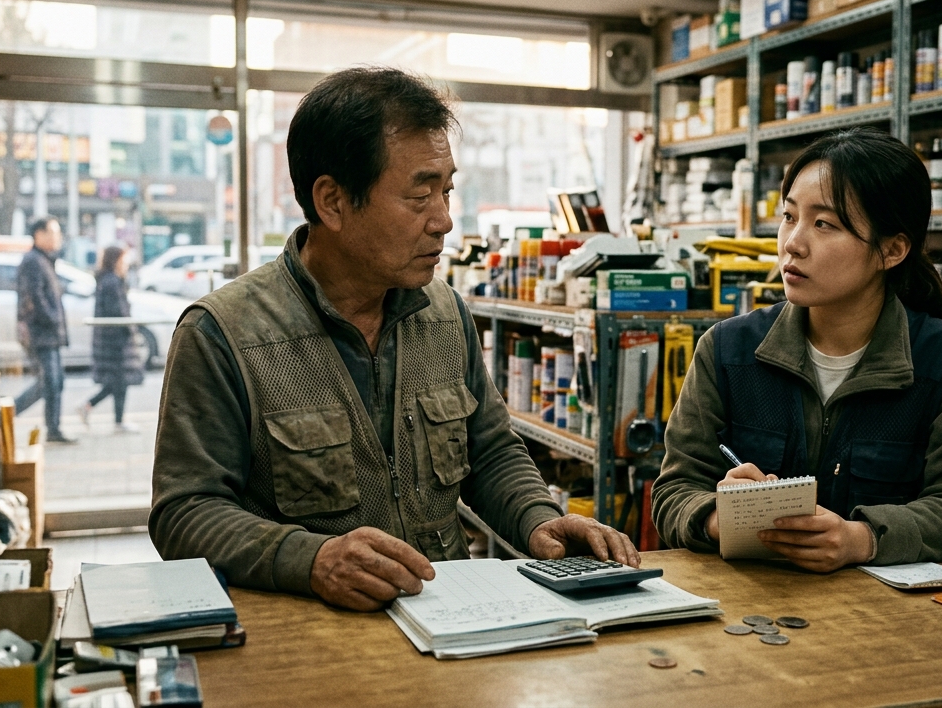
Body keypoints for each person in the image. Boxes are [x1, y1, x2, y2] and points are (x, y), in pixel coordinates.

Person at [151, 66, 638, 612]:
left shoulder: (445, 312)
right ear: (333, 201)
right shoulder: (224, 333)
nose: (445, 221)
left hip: (452, 615)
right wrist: (309, 559)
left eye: (447, 191)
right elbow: (185, 511)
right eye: (419, 196)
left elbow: (491, 451)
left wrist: (538, 519)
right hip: (312, 637)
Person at [652, 127, 942, 571]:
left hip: (884, 619)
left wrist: (863, 539)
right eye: (789, 217)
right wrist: (717, 517)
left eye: (824, 224)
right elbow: (672, 491)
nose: (793, 244)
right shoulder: (727, 350)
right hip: (747, 604)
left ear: (892, 250)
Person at [14, 216, 75, 445]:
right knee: (48, 382)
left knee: (54, 382)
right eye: (53, 232)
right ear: (38, 235)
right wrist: (51, 319)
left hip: (49, 333)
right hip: (41, 333)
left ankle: (53, 428)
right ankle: (7, 416)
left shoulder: (45, 260)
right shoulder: (33, 261)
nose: (57, 238)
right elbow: (34, 298)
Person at [79, 246, 144, 434]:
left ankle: (89, 407)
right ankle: (117, 421)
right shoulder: (112, 282)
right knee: (119, 381)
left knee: (116, 382)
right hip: (115, 342)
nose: (126, 265)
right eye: (123, 261)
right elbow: (118, 312)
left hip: (111, 341)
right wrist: (131, 330)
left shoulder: (107, 280)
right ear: (115, 261)